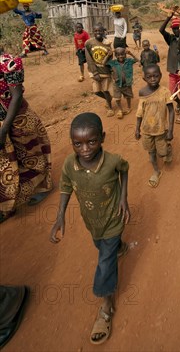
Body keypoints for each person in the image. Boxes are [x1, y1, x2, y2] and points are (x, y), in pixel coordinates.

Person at [50, 113, 130, 346]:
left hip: (113, 219)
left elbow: (124, 170)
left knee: (105, 262)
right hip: (92, 222)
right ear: (71, 142)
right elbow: (65, 187)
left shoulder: (112, 161)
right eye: (78, 143)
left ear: (102, 138)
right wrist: (59, 216)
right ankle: (119, 246)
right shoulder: (69, 165)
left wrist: (123, 198)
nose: (85, 149)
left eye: (91, 142)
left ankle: (106, 307)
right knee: (101, 245)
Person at [0, 49, 52, 223]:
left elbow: (16, 96)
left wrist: (5, 128)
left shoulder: (9, 63)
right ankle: (7, 205)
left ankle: (42, 187)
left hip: (17, 118)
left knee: (30, 155)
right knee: (6, 165)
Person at [135, 64, 174, 188]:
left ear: (160, 76)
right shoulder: (142, 92)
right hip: (147, 130)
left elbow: (171, 111)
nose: (153, 79)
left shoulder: (165, 92)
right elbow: (140, 111)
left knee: (162, 153)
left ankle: (167, 149)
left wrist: (171, 130)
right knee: (151, 153)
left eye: (156, 76)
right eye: (149, 77)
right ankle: (156, 171)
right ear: (144, 78)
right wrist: (137, 128)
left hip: (161, 129)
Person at [159, 7, 180, 114]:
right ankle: (178, 103)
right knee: (172, 94)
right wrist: (168, 18)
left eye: (178, 28)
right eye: (174, 29)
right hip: (173, 71)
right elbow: (161, 30)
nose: (176, 30)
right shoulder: (171, 39)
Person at [85, 24, 114, 116]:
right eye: (96, 31)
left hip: (105, 71)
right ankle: (108, 99)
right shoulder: (89, 43)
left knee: (105, 90)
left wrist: (111, 70)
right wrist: (95, 72)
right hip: (94, 71)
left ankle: (110, 108)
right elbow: (89, 59)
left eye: (100, 31)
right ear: (93, 32)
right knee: (97, 91)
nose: (98, 32)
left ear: (103, 32)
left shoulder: (107, 43)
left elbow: (110, 58)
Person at [107, 48, 138, 119]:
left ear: (125, 54)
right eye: (118, 55)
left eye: (122, 54)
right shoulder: (113, 62)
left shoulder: (129, 61)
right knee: (117, 98)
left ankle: (129, 107)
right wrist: (108, 55)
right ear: (116, 56)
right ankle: (120, 109)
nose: (120, 56)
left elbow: (137, 60)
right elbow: (104, 63)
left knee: (128, 96)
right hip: (117, 84)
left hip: (127, 84)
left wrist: (131, 53)